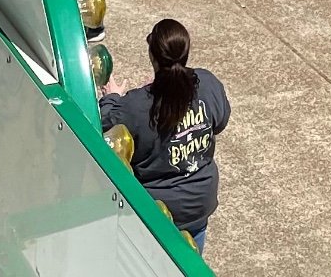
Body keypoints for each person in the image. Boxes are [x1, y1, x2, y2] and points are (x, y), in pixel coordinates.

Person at [99, 18, 232, 251]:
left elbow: (105, 121)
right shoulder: (208, 84)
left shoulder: (135, 106)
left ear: (152, 56)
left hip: (156, 212)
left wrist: (112, 96)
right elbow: (219, 123)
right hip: (199, 205)